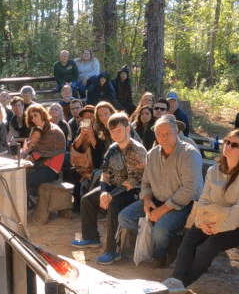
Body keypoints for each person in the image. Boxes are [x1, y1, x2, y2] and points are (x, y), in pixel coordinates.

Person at [161, 130, 239, 294]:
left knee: (212, 243)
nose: (229, 146)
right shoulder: (214, 170)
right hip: (215, 218)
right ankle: (176, 278)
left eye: (235, 144)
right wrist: (201, 221)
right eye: (227, 142)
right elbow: (203, 201)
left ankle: (183, 283)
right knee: (191, 235)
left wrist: (218, 228)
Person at [118, 114, 203, 267]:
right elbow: (145, 183)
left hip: (183, 204)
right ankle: (169, 243)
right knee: (124, 217)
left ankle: (160, 256)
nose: (163, 137)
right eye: (159, 134)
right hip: (157, 199)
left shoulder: (189, 153)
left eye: (168, 133)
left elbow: (189, 190)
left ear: (177, 132)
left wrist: (162, 210)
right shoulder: (152, 154)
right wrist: (147, 200)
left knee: (160, 230)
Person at [70, 112, 147, 265]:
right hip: (114, 187)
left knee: (113, 205)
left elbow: (133, 181)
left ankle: (112, 251)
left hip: (133, 192)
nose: (115, 134)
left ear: (128, 130)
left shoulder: (137, 150)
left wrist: (110, 195)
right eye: (112, 131)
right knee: (87, 199)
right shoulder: (113, 148)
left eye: (119, 130)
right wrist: (104, 191)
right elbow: (105, 173)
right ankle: (91, 237)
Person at [22, 104, 66, 195]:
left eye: (35, 115)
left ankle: (25, 207)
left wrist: (25, 159)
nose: (33, 119)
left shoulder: (52, 131)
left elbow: (37, 154)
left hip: (51, 169)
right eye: (31, 117)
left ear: (42, 114)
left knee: (22, 179)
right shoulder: (41, 128)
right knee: (20, 175)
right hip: (42, 165)